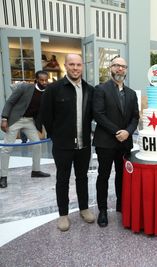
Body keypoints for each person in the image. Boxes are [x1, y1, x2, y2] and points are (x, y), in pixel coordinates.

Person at [41, 54, 95, 231]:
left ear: (82, 67)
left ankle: (84, 209)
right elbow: (46, 116)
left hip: (83, 144)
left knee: (82, 178)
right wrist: (56, 136)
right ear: (65, 65)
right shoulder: (54, 89)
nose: (75, 68)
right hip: (62, 145)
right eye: (71, 64)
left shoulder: (89, 89)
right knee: (62, 179)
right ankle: (63, 215)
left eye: (78, 64)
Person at [92, 56, 139, 227]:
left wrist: (127, 132)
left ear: (126, 70)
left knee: (122, 176)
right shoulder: (100, 89)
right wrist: (117, 132)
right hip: (105, 142)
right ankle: (103, 210)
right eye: (117, 66)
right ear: (110, 68)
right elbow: (98, 114)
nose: (120, 69)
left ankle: (121, 204)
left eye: (123, 66)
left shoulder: (132, 94)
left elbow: (135, 117)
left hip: (124, 143)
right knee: (103, 176)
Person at [0, 71, 51, 188]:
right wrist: (4, 119)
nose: (44, 82)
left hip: (29, 121)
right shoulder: (25, 87)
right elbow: (10, 102)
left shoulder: (47, 92)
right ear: (36, 80)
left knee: (37, 144)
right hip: (16, 119)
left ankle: (36, 171)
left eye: (45, 80)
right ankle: (3, 177)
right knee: (6, 149)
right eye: (41, 80)